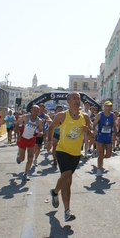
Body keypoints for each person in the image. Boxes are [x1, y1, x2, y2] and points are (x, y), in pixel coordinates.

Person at [46, 92, 92, 222]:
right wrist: (50, 141)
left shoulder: (85, 118)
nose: (77, 101)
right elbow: (51, 127)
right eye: (74, 98)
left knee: (64, 177)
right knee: (68, 179)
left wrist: (87, 131)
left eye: (79, 98)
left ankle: (54, 192)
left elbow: (92, 134)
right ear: (68, 102)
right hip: (62, 150)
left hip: (76, 153)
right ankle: (67, 211)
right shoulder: (62, 115)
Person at [14, 105, 43, 181]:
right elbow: (17, 124)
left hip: (31, 139)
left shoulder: (39, 121)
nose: (35, 112)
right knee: (22, 159)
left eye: (37, 111)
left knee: (30, 157)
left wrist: (40, 133)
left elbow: (40, 130)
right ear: (31, 110)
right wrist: (18, 135)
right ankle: (19, 157)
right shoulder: (25, 117)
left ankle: (26, 174)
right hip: (23, 138)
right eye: (34, 110)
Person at [93, 100, 116, 176]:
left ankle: (98, 155)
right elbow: (94, 124)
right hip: (100, 137)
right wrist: (93, 131)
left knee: (109, 155)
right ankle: (99, 169)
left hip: (108, 137)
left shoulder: (112, 115)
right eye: (108, 106)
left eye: (110, 106)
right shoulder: (100, 115)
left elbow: (114, 125)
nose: (109, 107)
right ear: (104, 107)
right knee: (101, 154)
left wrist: (116, 134)